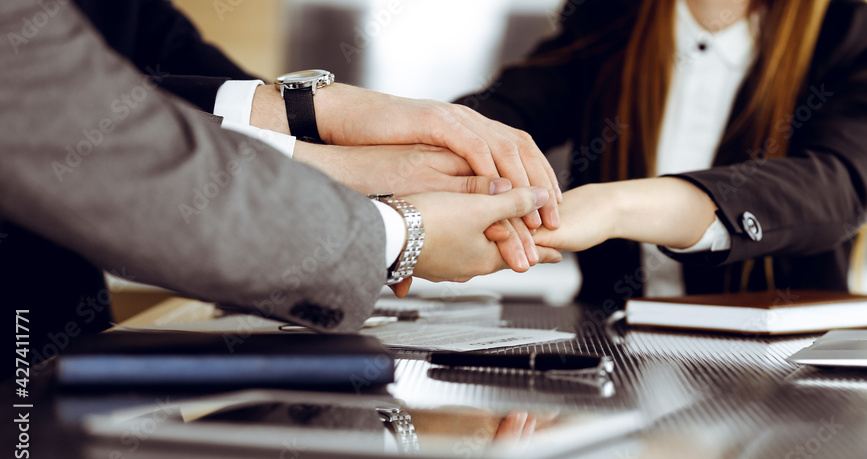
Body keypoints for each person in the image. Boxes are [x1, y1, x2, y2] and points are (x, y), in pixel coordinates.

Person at [0, 0, 556, 369]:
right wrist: (398, 233)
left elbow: (139, 71)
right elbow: (105, 145)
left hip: (66, 356)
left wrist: (312, 114)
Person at [461, 0, 867, 311]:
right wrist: (413, 169)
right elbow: (502, 116)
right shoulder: (610, 15)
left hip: (776, 378)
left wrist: (614, 207)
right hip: (611, 360)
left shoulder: (846, 32)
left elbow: (838, 184)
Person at [70, 0, 563, 275]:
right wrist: (396, 226)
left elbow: (157, 46)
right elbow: (69, 120)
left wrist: (310, 121)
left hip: (74, 317)